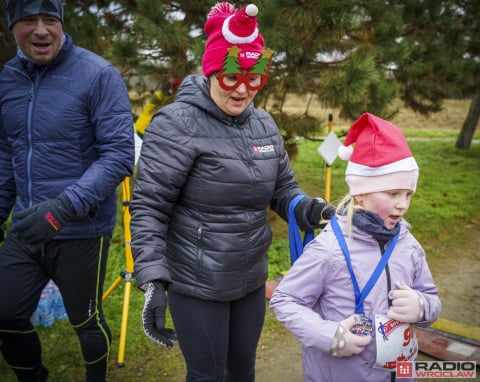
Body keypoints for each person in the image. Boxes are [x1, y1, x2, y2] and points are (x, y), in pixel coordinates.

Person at [129, 2, 334, 381]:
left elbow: (283, 188)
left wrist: (307, 208)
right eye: (230, 78)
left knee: (242, 372)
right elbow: (149, 208)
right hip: (196, 281)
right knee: (208, 375)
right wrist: (154, 278)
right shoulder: (177, 124)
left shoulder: (264, 123)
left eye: (253, 79)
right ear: (211, 71)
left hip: (250, 278)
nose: (243, 90)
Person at [0, 0, 135, 381]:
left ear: (61, 24)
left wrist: (60, 209)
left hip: (79, 228)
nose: (41, 30)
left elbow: (119, 155)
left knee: (86, 320)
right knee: (5, 314)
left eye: (50, 20)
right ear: (13, 27)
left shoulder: (98, 75)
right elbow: (7, 151)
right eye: (29, 20)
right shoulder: (8, 79)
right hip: (26, 225)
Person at [269, 113, 442, 382]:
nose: (403, 204)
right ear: (361, 193)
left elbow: (431, 297)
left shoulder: (409, 245)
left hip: (400, 374)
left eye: (408, 194)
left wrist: (422, 307)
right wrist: (331, 337)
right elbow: (286, 300)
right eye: (392, 193)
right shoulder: (329, 249)